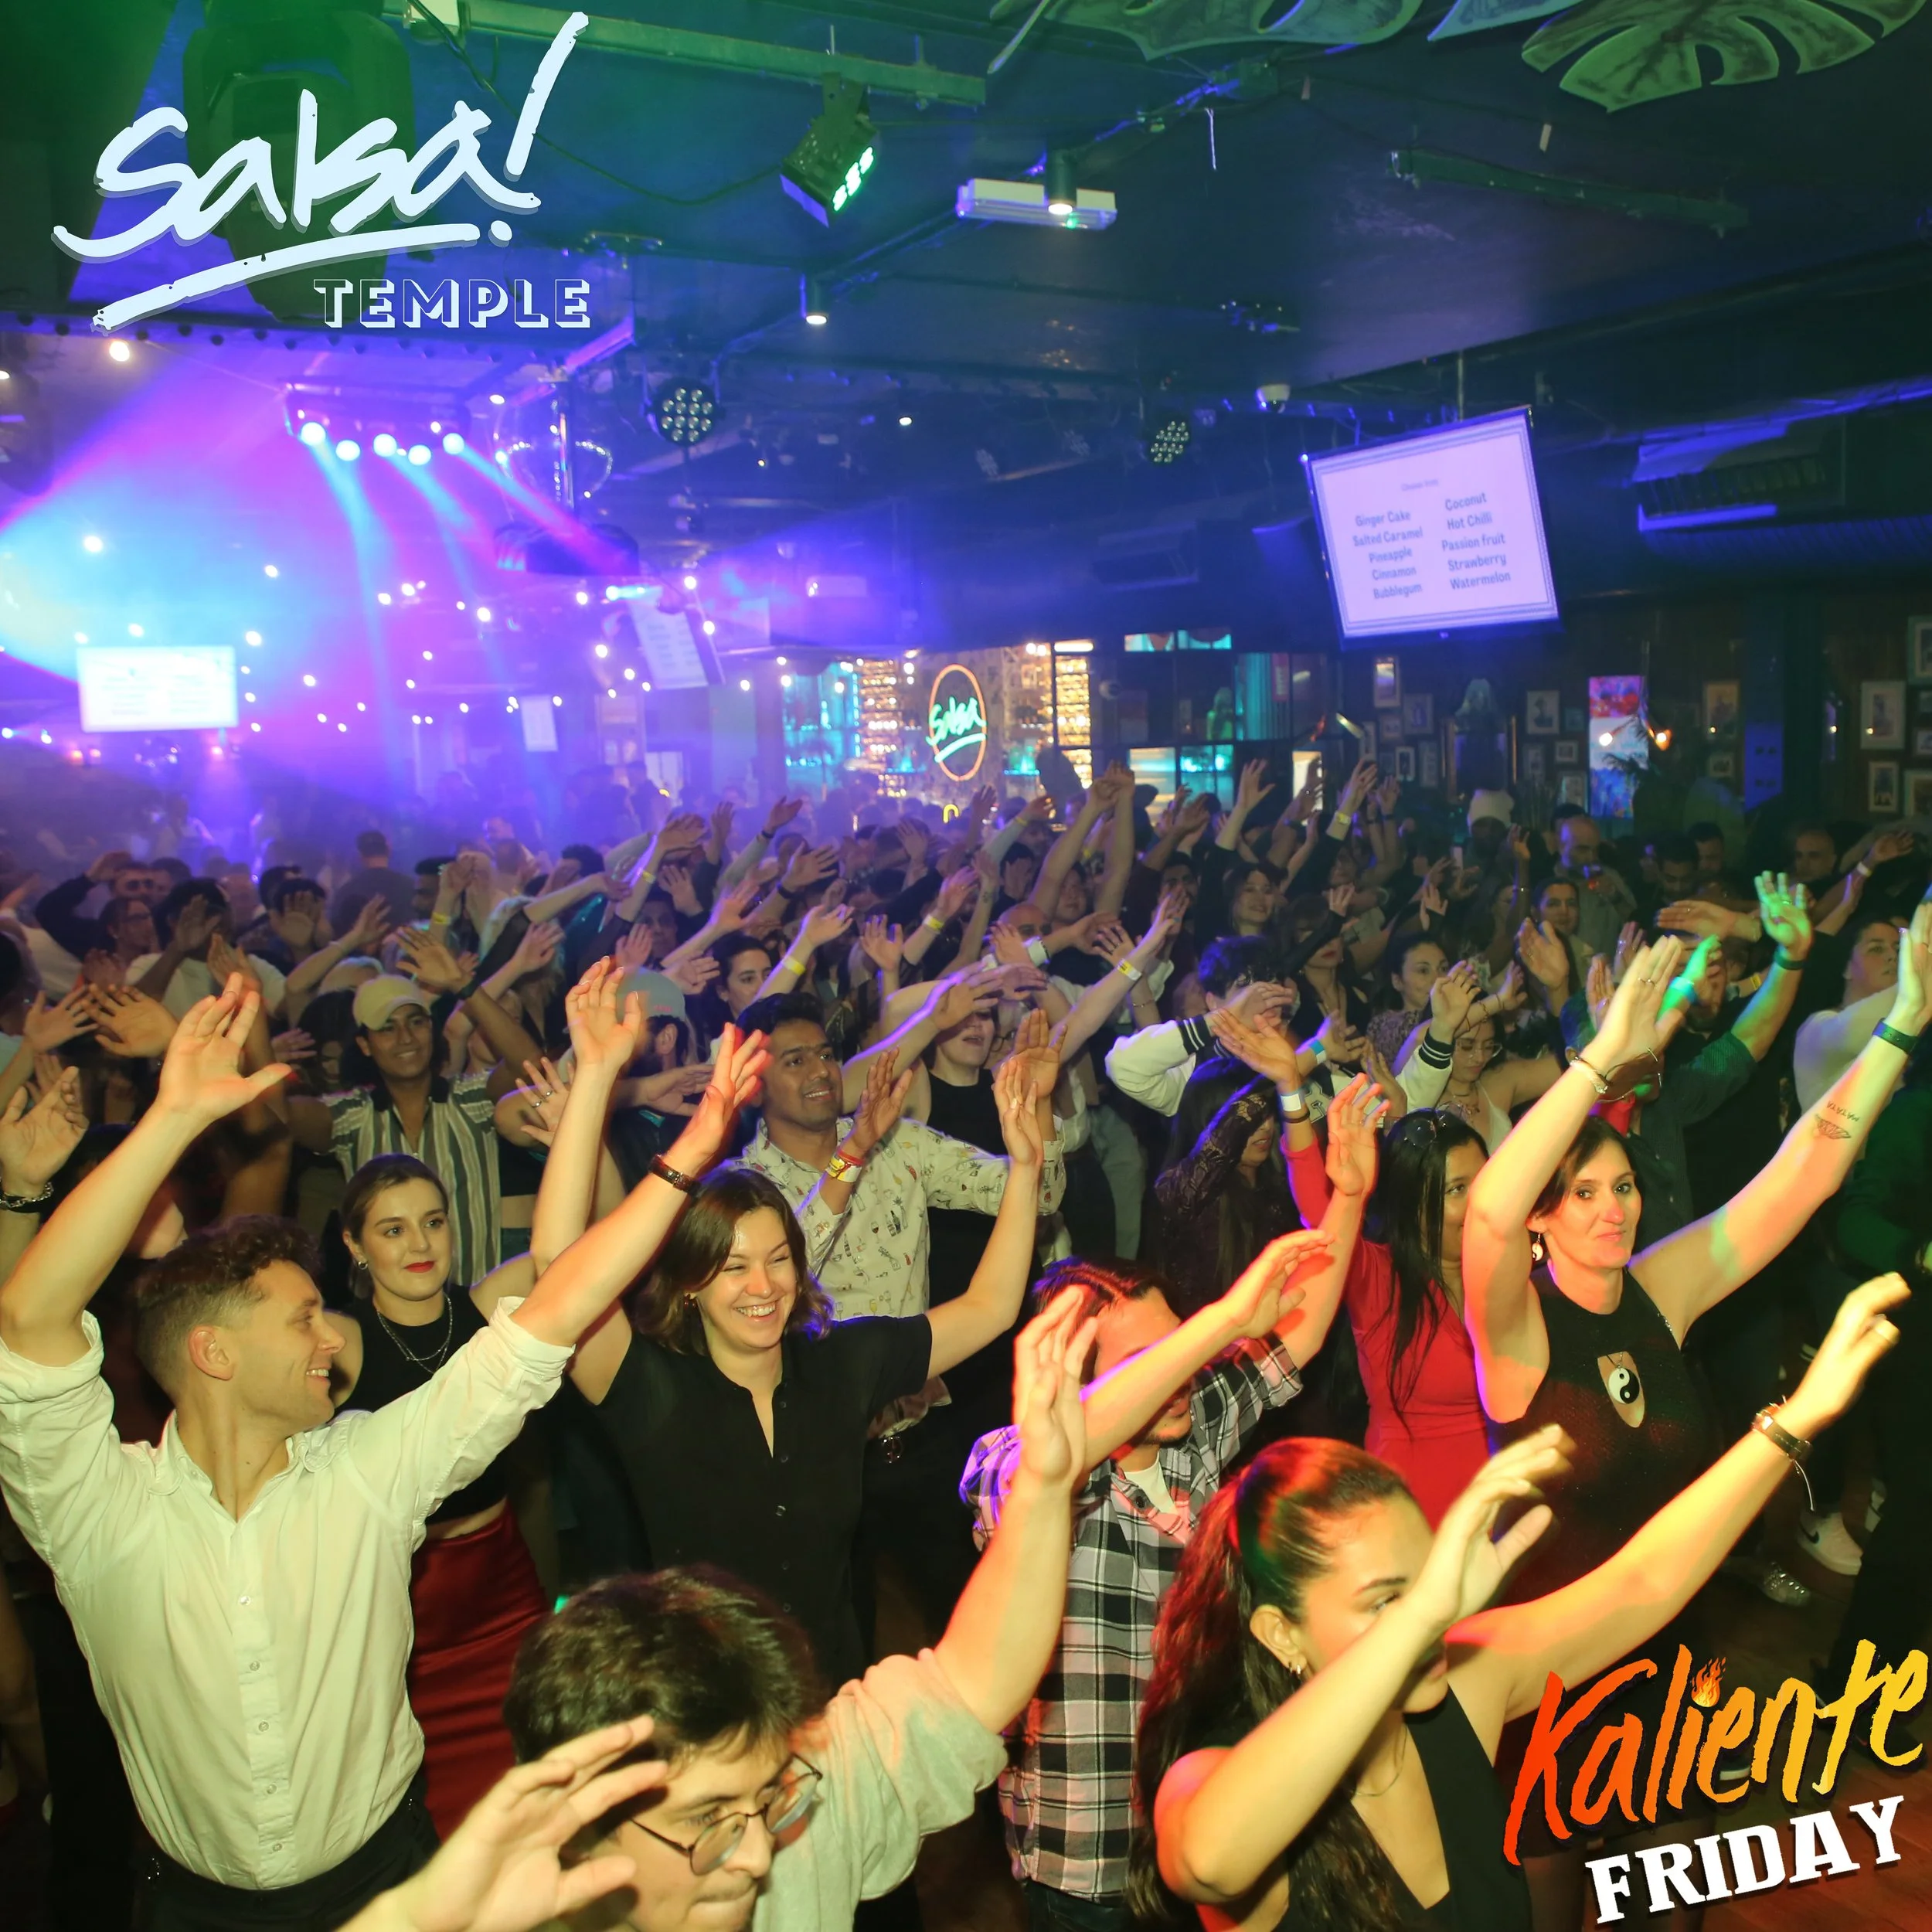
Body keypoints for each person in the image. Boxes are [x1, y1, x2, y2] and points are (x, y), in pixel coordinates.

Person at [0, 977, 600, 1930]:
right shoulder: (100, 1515)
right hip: (196, 1905)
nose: (327, 1340)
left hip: (392, 1859)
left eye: (433, 1222)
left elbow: (558, 1303)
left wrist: (609, 1092)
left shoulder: (360, 1472)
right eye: (303, 1317)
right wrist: (167, 1116)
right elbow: (30, 1322)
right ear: (215, 1352)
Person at [1129, 1277, 1903, 1932]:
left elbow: (1642, 1581)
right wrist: (1427, 1609)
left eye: (1429, 1574)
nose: (1430, 1616)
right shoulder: (1219, 1771)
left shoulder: (1455, 1691)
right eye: (1385, 1602)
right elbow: (1208, 1858)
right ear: (1278, 1633)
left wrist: (1792, 1420)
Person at [495, 1279, 1104, 1932]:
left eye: (771, 1798)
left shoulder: (805, 1795)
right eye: (706, 1821)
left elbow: (975, 1679)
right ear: (578, 1829)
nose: (759, 1856)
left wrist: (1043, 1483)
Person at [525, 961, 1050, 1686]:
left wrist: (1025, 1168)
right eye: (733, 1267)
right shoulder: (648, 1385)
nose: (764, 1286)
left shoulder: (840, 1364)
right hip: (710, 1708)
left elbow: (989, 1309)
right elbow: (558, 1269)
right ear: (689, 1286)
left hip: (826, 1700)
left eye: (778, 1259)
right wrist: (596, 1078)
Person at [961, 1211, 1360, 1929]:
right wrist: (1224, 1320)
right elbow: (1052, 1460)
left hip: (1203, 1830)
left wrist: (1351, 1192)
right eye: (1150, 1362)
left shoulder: (1187, 1439)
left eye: (1179, 1347)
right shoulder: (1013, 1464)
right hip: (1090, 1858)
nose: (1179, 1373)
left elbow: (1296, 1338)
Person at [326, 1153, 550, 1837]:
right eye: (392, 1231)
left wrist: (587, 1104)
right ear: (354, 1245)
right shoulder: (341, 1341)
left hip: (504, 1586)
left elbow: (563, 1250)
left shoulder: (485, 1309)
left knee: (536, 1782)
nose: (419, 1245)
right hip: (407, 1606)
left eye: (432, 1222)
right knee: (446, 1816)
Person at [268, 936, 546, 1289]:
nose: (406, 1038)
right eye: (387, 1028)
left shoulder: (471, 1100)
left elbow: (531, 1066)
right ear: (365, 1045)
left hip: (477, 1310)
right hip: (386, 1322)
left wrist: (463, 984)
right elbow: (279, 1118)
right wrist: (265, 1060)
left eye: (416, 1022)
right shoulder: (352, 1115)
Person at [332, 831, 421, 935]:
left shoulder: (346, 890)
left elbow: (336, 928)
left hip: (356, 949)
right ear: (388, 851)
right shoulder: (411, 886)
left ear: (359, 855)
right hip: (403, 949)